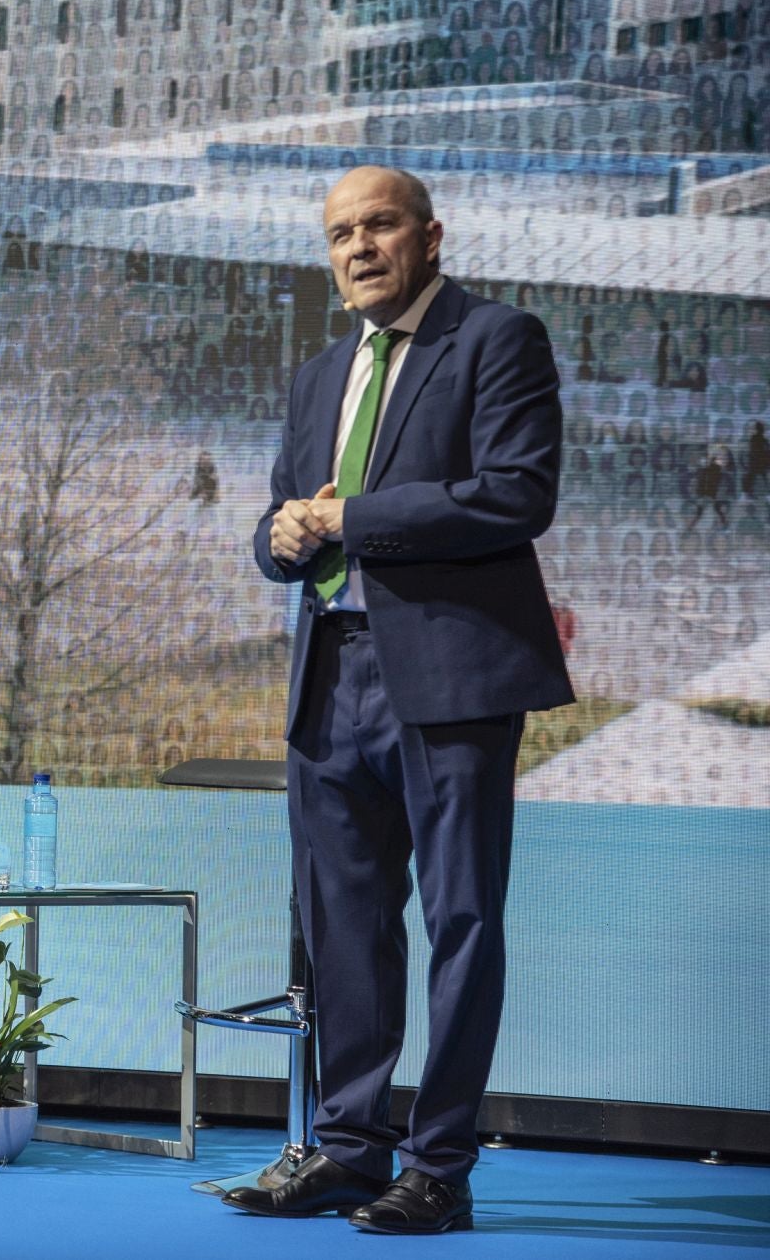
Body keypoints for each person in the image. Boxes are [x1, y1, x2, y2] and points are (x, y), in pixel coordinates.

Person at [231, 168, 573, 1234]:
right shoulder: (320, 372)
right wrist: (280, 538)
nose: (358, 247)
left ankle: (440, 1166)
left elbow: (520, 492)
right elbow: (289, 517)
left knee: (460, 918)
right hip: (331, 674)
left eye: (378, 226)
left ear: (430, 235)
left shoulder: (497, 338)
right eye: (340, 234)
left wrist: (353, 518)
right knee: (342, 923)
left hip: (452, 676)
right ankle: (347, 1147)